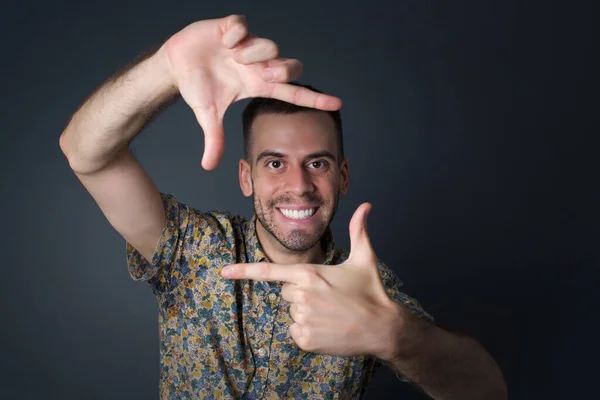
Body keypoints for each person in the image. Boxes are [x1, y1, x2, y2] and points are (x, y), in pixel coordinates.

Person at [59, 14, 507, 400]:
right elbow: (86, 154)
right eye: (275, 163)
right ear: (245, 176)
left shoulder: (367, 290)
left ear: (343, 177)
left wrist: (398, 336)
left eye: (317, 163)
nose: (299, 185)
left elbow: (486, 393)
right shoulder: (191, 248)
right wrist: (162, 71)